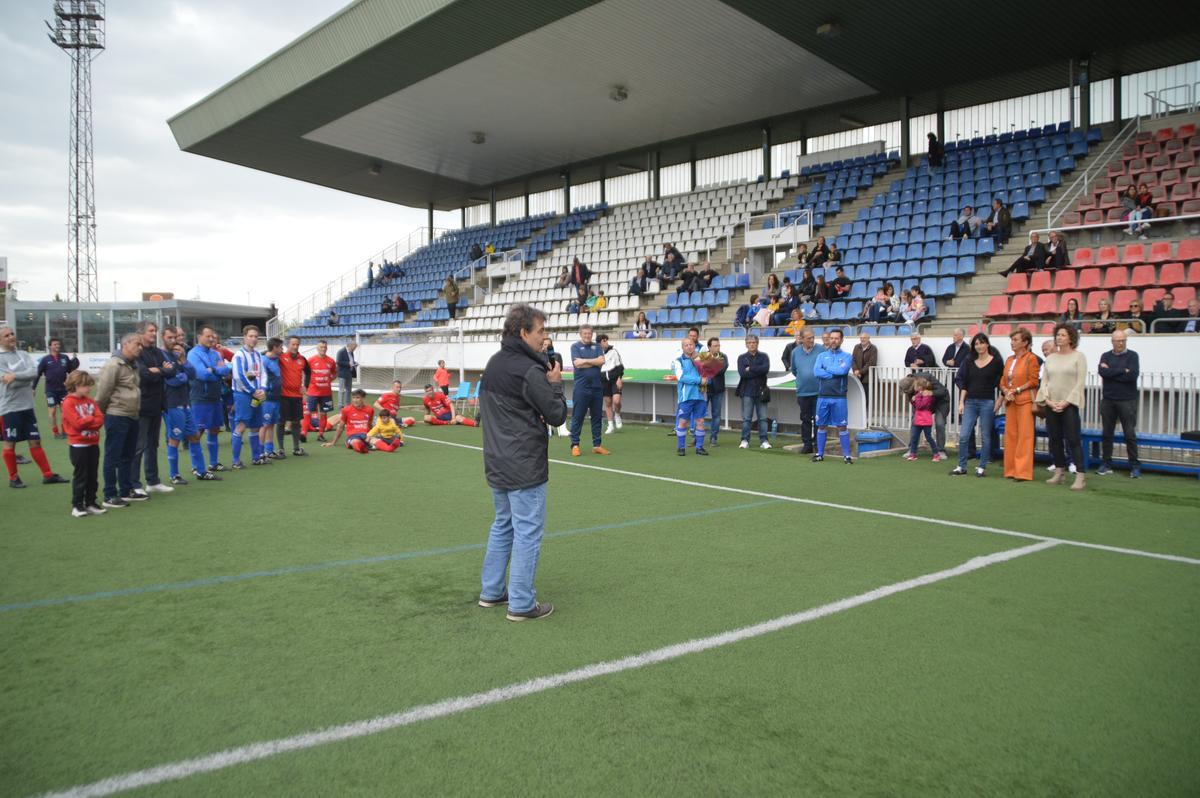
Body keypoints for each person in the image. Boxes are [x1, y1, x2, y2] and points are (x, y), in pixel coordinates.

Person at [477, 304, 566, 621]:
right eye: (541, 331)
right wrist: (555, 384)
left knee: (503, 526)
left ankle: (492, 592)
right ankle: (521, 604)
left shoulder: (495, 363)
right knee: (527, 532)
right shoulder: (528, 370)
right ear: (522, 332)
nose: (546, 337)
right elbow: (556, 415)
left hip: (497, 461)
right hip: (524, 464)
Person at [1, 326, 68, 489]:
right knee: (10, 443)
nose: (11, 337)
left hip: (27, 407)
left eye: (12, 334)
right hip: (9, 408)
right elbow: (6, 380)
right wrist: (20, 378)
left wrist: (16, 376)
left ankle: (47, 475)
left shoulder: (23, 354)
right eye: (6, 335)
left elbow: (33, 373)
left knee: (35, 441)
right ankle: (13, 478)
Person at [95, 332, 145, 506]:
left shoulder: (133, 364)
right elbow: (102, 392)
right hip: (117, 415)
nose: (140, 347)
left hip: (132, 414)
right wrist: (103, 411)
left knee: (128, 455)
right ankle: (109, 494)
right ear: (126, 344)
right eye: (137, 344)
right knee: (113, 456)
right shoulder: (113, 365)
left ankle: (125, 490)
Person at [1037, 323, 1088, 491]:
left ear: (1071, 338)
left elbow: (1080, 383)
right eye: (1058, 335)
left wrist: (1066, 402)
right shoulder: (1050, 358)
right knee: (1054, 440)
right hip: (1052, 405)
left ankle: (1080, 475)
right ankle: (1059, 471)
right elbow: (1045, 381)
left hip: (1069, 405)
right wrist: (1048, 401)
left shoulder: (1078, 357)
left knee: (1073, 440)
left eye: (1063, 335)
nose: (1059, 338)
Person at [131, 320, 176, 494]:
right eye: (150, 330)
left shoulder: (157, 351)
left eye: (155, 330)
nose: (153, 333)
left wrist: (158, 370)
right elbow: (143, 375)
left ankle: (153, 481)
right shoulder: (138, 352)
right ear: (141, 333)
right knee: (138, 446)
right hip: (141, 405)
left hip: (157, 405)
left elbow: (171, 370)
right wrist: (160, 370)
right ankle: (135, 484)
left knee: (152, 445)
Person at [950, 333, 1003, 477]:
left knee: (985, 436)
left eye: (981, 343)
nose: (979, 346)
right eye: (976, 344)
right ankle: (961, 466)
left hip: (988, 402)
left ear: (987, 344)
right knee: (964, 435)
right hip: (970, 402)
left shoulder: (996, 362)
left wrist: (1001, 399)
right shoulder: (969, 361)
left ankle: (982, 467)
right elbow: (964, 384)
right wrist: (961, 402)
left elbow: (1002, 383)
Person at [162, 339, 213, 484]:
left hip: (185, 403)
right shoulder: (164, 358)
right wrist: (183, 377)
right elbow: (172, 380)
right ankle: (174, 475)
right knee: (175, 439)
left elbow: (192, 374)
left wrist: (183, 361)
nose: (179, 350)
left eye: (181, 348)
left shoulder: (181, 360)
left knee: (194, 436)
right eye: (171, 338)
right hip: (172, 404)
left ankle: (201, 471)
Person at [186, 325, 232, 474]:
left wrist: (213, 370)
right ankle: (196, 466)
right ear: (199, 337)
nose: (211, 339)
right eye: (208, 336)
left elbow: (226, 371)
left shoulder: (215, 353)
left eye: (213, 336)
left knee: (214, 429)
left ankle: (213, 463)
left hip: (215, 397)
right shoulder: (193, 354)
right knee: (197, 432)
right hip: (200, 397)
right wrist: (216, 371)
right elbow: (202, 374)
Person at [1097, 329, 1140, 478]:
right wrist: (1123, 371)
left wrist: (1112, 371)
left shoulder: (1133, 356)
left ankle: (1134, 465)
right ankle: (1106, 463)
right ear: (1112, 341)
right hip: (1108, 400)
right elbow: (1103, 373)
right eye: (1118, 340)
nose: (1120, 343)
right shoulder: (1105, 355)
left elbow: (1132, 375)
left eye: (1123, 340)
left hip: (1127, 400)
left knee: (1129, 434)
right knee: (1107, 433)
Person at [61, 370, 105, 517]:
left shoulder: (90, 401)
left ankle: (91, 502)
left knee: (93, 475)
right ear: (76, 385)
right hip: (78, 445)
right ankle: (77, 505)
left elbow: (99, 419)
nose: (89, 389)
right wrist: (90, 419)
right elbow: (77, 424)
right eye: (86, 386)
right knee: (81, 475)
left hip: (93, 442)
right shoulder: (68, 402)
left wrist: (89, 420)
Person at [1000, 328, 1040, 482]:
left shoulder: (1031, 359)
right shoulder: (1009, 359)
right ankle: (1010, 470)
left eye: (1016, 340)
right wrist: (1005, 390)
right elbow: (1003, 381)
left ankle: (1022, 472)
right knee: (1010, 436)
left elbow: (1033, 381)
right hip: (1010, 401)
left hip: (1024, 401)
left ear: (1025, 342)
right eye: (1012, 340)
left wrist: (1016, 390)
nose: (1012, 342)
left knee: (1025, 436)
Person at [812, 329, 854, 463]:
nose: (833, 341)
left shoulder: (847, 356)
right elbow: (817, 372)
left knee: (842, 426)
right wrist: (833, 371)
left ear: (841, 340)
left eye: (836, 338)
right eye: (831, 338)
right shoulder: (821, 356)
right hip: (823, 396)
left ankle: (847, 456)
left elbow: (843, 370)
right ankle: (820, 454)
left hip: (839, 397)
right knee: (821, 425)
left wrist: (827, 369)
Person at [230, 325, 268, 469]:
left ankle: (256, 457)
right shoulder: (239, 356)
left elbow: (263, 373)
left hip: (257, 395)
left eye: (255, 336)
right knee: (241, 426)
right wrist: (253, 391)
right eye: (250, 336)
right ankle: (235, 460)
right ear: (244, 337)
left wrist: (263, 388)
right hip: (243, 395)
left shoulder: (258, 355)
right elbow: (239, 376)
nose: (253, 339)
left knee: (256, 426)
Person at [568, 325, 608, 456]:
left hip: (597, 387)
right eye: (585, 333)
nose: (587, 336)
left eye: (589, 334)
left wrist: (585, 361)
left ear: (592, 334)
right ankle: (575, 445)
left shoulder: (597, 346)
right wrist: (593, 362)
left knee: (597, 417)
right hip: (581, 388)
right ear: (580, 334)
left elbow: (602, 361)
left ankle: (597, 445)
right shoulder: (575, 347)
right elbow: (577, 364)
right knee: (578, 417)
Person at [35, 338, 79, 439]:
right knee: (52, 411)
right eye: (55, 344)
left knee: (65, 411)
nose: (57, 346)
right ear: (50, 346)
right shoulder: (45, 359)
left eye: (58, 344)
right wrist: (33, 388)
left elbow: (70, 371)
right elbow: (38, 374)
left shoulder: (64, 358)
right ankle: (55, 432)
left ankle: (65, 430)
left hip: (63, 390)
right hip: (51, 390)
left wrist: (74, 366)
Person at [790, 328, 824, 454]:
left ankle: (817, 444)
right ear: (802, 339)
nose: (811, 340)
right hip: (803, 392)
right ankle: (807, 444)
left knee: (818, 419)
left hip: (818, 392)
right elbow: (794, 370)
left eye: (813, 337)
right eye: (809, 338)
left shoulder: (821, 350)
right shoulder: (795, 352)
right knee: (805, 419)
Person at [736, 334, 771, 449]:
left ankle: (764, 440)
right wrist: (757, 370)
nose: (751, 345)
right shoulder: (742, 357)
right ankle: (745, 440)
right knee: (747, 418)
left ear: (757, 343)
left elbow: (765, 370)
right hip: (747, 391)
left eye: (753, 342)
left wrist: (751, 368)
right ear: (746, 344)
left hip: (761, 391)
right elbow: (743, 373)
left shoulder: (764, 356)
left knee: (763, 418)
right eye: (749, 343)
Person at [277, 336, 308, 456]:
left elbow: (308, 372)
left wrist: (305, 386)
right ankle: (281, 449)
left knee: (296, 422)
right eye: (293, 344)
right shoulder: (280, 358)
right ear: (287, 345)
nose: (295, 347)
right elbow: (266, 353)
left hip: (297, 396)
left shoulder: (302, 359)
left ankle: (296, 448)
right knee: (281, 422)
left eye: (297, 345)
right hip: (283, 395)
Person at [302, 340, 337, 441]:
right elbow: (305, 373)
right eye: (321, 347)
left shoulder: (331, 361)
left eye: (325, 347)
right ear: (317, 348)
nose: (323, 349)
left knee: (323, 413)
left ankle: (320, 434)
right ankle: (304, 434)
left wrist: (329, 380)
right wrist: (305, 387)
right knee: (308, 412)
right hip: (313, 392)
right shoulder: (311, 360)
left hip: (326, 393)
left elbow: (335, 372)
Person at [322, 388, 374, 453]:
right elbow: (341, 427)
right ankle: (365, 449)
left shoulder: (370, 410)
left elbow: (370, 424)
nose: (355, 400)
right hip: (353, 437)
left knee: (380, 443)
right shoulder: (346, 410)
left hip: (366, 436)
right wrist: (333, 442)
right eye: (353, 398)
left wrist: (371, 436)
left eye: (358, 398)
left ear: (363, 398)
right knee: (356, 443)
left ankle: (367, 444)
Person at [258, 337, 284, 461]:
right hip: (267, 398)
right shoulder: (264, 360)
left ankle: (269, 450)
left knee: (272, 424)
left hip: (276, 397)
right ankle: (259, 452)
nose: (282, 349)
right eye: (280, 347)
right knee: (264, 424)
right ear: (274, 348)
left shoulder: (277, 359)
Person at [905, 378, 943, 461]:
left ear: (920, 387)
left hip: (925, 420)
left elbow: (920, 406)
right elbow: (916, 405)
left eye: (916, 386)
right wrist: (913, 400)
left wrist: (916, 398)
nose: (914, 387)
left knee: (929, 437)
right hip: (918, 419)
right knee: (914, 437)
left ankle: (936, 454)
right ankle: (913, 453)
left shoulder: (927, 395)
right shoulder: (919, 395)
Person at [704, 337, 728, 447]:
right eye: (715, 346)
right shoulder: (703, 356)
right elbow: (700, 369)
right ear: (709, 347)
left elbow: (720, 370)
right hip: (704, 389)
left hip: (718, 390)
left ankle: (713, 438)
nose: (717, 348)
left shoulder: (723, 357)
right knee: (699, 414)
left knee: (716, 415)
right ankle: (697, 438)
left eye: (718, 345)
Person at [598, 333, 624, 434]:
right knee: (608, 402)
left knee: (616, 401)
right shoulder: (598, 354)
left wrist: (619, 378)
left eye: (606, 340)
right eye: (603, 341)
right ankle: (610, 425)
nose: (605, 343)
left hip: (614, 380)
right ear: (599, 343)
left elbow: (620, 367)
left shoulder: (613, 352)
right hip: (603, 381)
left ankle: (617, 414)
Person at [851, 331, 876, 410]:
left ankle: (866, 416)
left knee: (866, 397)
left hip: (867, 378)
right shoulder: (856, 347)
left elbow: (871, 363)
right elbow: (853, 360)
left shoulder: (873, 348)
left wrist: (860, 372)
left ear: (868, 338)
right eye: (861, 338)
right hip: (857, 376)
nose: (862, 339)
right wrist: (855, 370)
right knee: (857, 396)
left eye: (864, 338)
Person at [335, 342, 358, 409]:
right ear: (350, 346)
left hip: (349, 373)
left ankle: (348, 404)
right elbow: (338, 362)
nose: (354, 349)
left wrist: (354, 363)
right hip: (342, 374)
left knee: (349, 390)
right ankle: (340, 405)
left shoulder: (351, 352)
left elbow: (351, 361)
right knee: (341, 390)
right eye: (354, 347)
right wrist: (349, 364)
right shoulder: (341, 351)